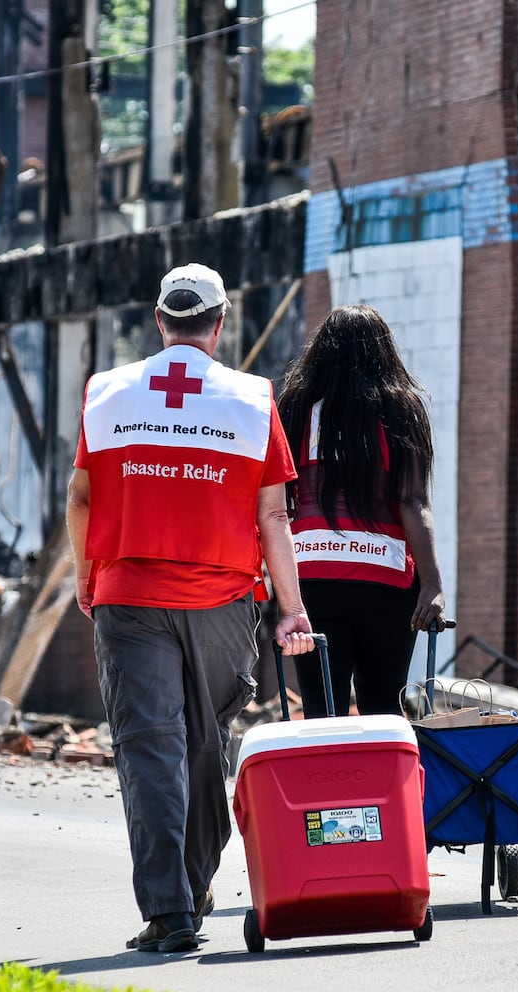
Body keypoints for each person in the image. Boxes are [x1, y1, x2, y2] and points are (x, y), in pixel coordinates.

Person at [67, 263, 315, 952]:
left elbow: (81, 498)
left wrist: (86, 578)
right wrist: (291, 611)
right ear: (220, 321)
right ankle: (189, 888)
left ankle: (171, 910)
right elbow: (274, 518)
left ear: (158, 321)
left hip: (129, 599)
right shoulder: (252, 400)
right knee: (203, 745)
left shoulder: (107, 393)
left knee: (150, 749)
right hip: (222, 603)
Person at [276, 304, 446, 717]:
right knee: (383, 708)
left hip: (311, 579)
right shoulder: (401, 408)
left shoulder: (296, 407)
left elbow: (276, 502)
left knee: (321, 709)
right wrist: (433, 585)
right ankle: (382, 784)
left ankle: (325, 782)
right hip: (384, 580)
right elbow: (412, 500)